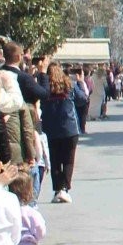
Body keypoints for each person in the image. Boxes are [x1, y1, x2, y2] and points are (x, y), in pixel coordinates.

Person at [41, 63, 82, 203]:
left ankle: (58, 190)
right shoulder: (69, 85)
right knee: (69, 160)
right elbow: (82, 99)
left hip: (51, 129)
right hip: (70, 128)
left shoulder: (46, 89)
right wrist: (80, 83)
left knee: (55, 160)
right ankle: (65, 189)